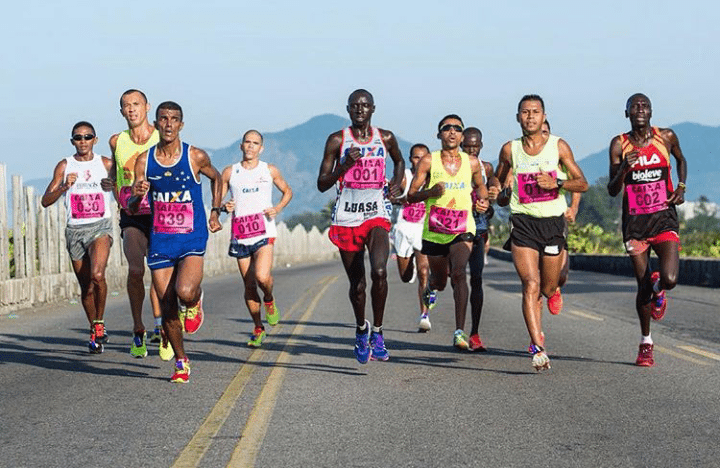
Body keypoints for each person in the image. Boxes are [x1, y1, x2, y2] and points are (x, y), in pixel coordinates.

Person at [130, 101, 223, 383]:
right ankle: (181, 361)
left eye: (174, 119)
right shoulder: (144, 162)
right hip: (161, 238)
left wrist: (216, 211)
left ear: (181, 124)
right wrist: (138, 193)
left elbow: (216, 178)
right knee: (166, 302)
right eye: (163, 119)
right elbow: (134, 205)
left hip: (191, 235)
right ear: (156, 124)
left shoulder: (194, 156)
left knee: (183, 291)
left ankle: (194, 301)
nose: (169, 124)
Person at [495, 95, 588, 371]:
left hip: (552, 225)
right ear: (517, 117)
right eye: (525, 112)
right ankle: (537, 347)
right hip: (523, 223)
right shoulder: (509, 150)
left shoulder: (558, 146)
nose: (530, 117)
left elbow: (582, 184)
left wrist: (556, 182)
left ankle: (555, 289)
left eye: (535, 112)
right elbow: (498, 190)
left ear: (544, 116)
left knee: (547, 289)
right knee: (530, 285)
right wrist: (500, 193)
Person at [317, 89, 404, 363]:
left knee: (379, 271)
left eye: (365, 106)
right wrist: (343, 166)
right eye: (355, 106)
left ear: (373, 109)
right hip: (347, 215)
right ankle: (360, 329)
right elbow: (322, 184)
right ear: (348, 109)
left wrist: (397, 182)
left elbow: (399, 161)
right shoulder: (337, 140)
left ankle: (377, 332)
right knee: (357, 285)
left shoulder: (385, 138)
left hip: (376, 212)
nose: (360, 110)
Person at [607, 93, 686, 367]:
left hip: (664, 219)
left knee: (671, 278)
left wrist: (681, 187)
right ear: (626, 112)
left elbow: (681, 160)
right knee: (641, 286)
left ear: (651, 111)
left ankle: (659, 287)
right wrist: (624, 169)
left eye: (645, 106)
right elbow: (612, 190)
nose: (640, 109)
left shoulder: (666, 137)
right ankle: (646, 343)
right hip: (635, 225)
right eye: (635, 106)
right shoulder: (619, 144)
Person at [407, 115, 489, 351]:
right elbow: (412, 194)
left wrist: (482, 201)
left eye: (456, 129)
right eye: (446, 128)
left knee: (459, 274)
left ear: (462, 136)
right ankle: (431, 288)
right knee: (440, 281)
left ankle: (459, 332)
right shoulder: (428, 161)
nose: (451, 132)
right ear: (439, 134)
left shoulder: (472, 163)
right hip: (435, 230)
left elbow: (481, 186)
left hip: (463, 227)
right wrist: (430, 192)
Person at [41, 122, 114, 353]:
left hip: (100, 226)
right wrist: (64, 187)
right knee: (86, 289)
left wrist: (112, 185)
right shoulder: (65, 165)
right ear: (72, 141)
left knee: (98, 275)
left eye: (87, 136)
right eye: (78, 137)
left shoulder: (105, 163)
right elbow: (45, 200)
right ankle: (93, 327)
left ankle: (100, 323)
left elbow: (125, 187)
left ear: (95, 139)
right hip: (75, 230)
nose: (83, 141)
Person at [106, 89, 165, 360]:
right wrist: (112, 185)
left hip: (161, 212)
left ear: (146, 107)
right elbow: (116, 172)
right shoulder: (117, 141)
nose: (131, 110)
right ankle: (138, 328)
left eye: (136, 104)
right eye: (126, 106)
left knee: (161, 273)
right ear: (121, 112)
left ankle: (164, 322)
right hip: (131, 213)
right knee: (134, 270)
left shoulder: (161, 137)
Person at [220, 130, 293, 348]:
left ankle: (269, 299)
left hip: (264, 233)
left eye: (255, 143)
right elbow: (219, 199)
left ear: (261, 148)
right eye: (247, 142)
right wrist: (224, 207)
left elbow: (287, 191)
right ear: (241, 146)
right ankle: (258, 327)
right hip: (240, 235)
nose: (251, 146)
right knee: (249, 285)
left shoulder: (269, 170)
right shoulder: (230, 172)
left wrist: (277, 208)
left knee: (262, 277)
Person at [460, 127, 500, 351]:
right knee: (451, 277)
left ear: (481, 146)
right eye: (467, 147)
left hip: (478, 229)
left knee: (476, 279)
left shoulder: (486, 169)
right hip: (453, 229)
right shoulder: (452, 167)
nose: (471, 151)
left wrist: (486, 206)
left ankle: (474, 333)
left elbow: (490, 209)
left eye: (475, 147)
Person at [390, 143, 432, 331]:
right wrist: (401, 197)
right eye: (416, 157)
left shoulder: (433, 177)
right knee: (406, 277)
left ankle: (424, 315)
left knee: (424, 271)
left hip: (424, 229)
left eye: (423, 157)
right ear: (410, 160)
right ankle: (411, 268)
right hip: (404, 229)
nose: (420, 160)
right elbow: (392, 193)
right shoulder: (405, 176)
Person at [542, 119, 581, 315]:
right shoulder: (523, 157)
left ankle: (554, 288)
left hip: (557, 220)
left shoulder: (559, 155)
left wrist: (573, 208)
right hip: (530, 222)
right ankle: (536, 334)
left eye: (545, 132)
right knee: (533, 280)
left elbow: (578, 183)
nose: (541, 136)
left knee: (561, 275)